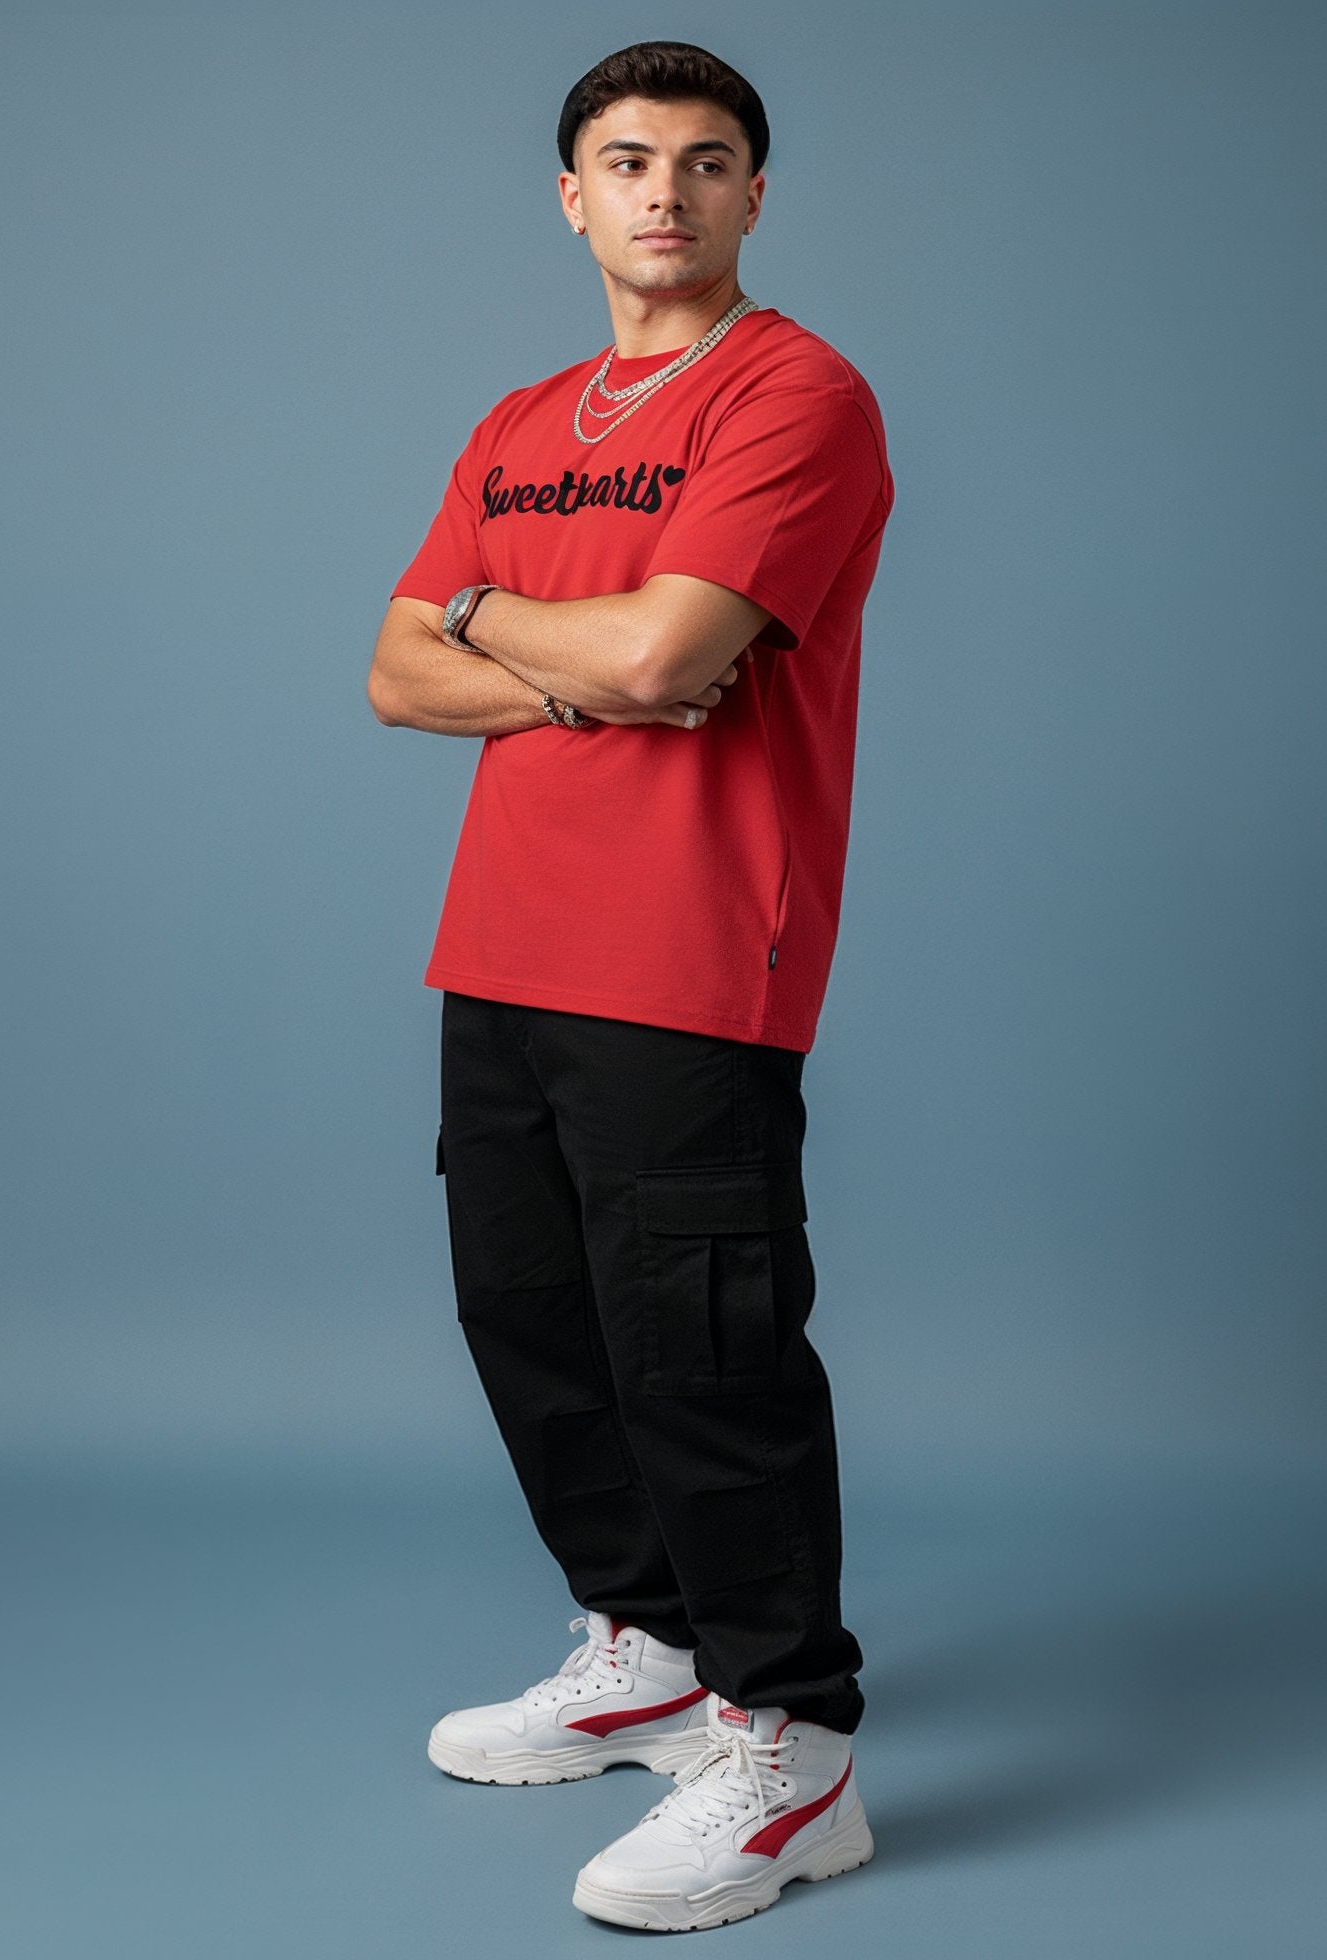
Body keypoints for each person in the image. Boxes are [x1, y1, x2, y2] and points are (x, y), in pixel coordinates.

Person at [366, 40, 894, 1934]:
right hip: (500, 946)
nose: (666, 190)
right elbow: (392, 674)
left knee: (704, 1353)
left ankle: (793, 1744)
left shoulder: (797, 394)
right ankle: (650, 1649)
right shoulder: (518, 422)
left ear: (754, 193)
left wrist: (494, 623)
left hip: (690, 955)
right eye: (628, 159)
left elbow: (673, 656)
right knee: (529, 1319)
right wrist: (557, 652)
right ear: (572, 197)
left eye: (707, 158)